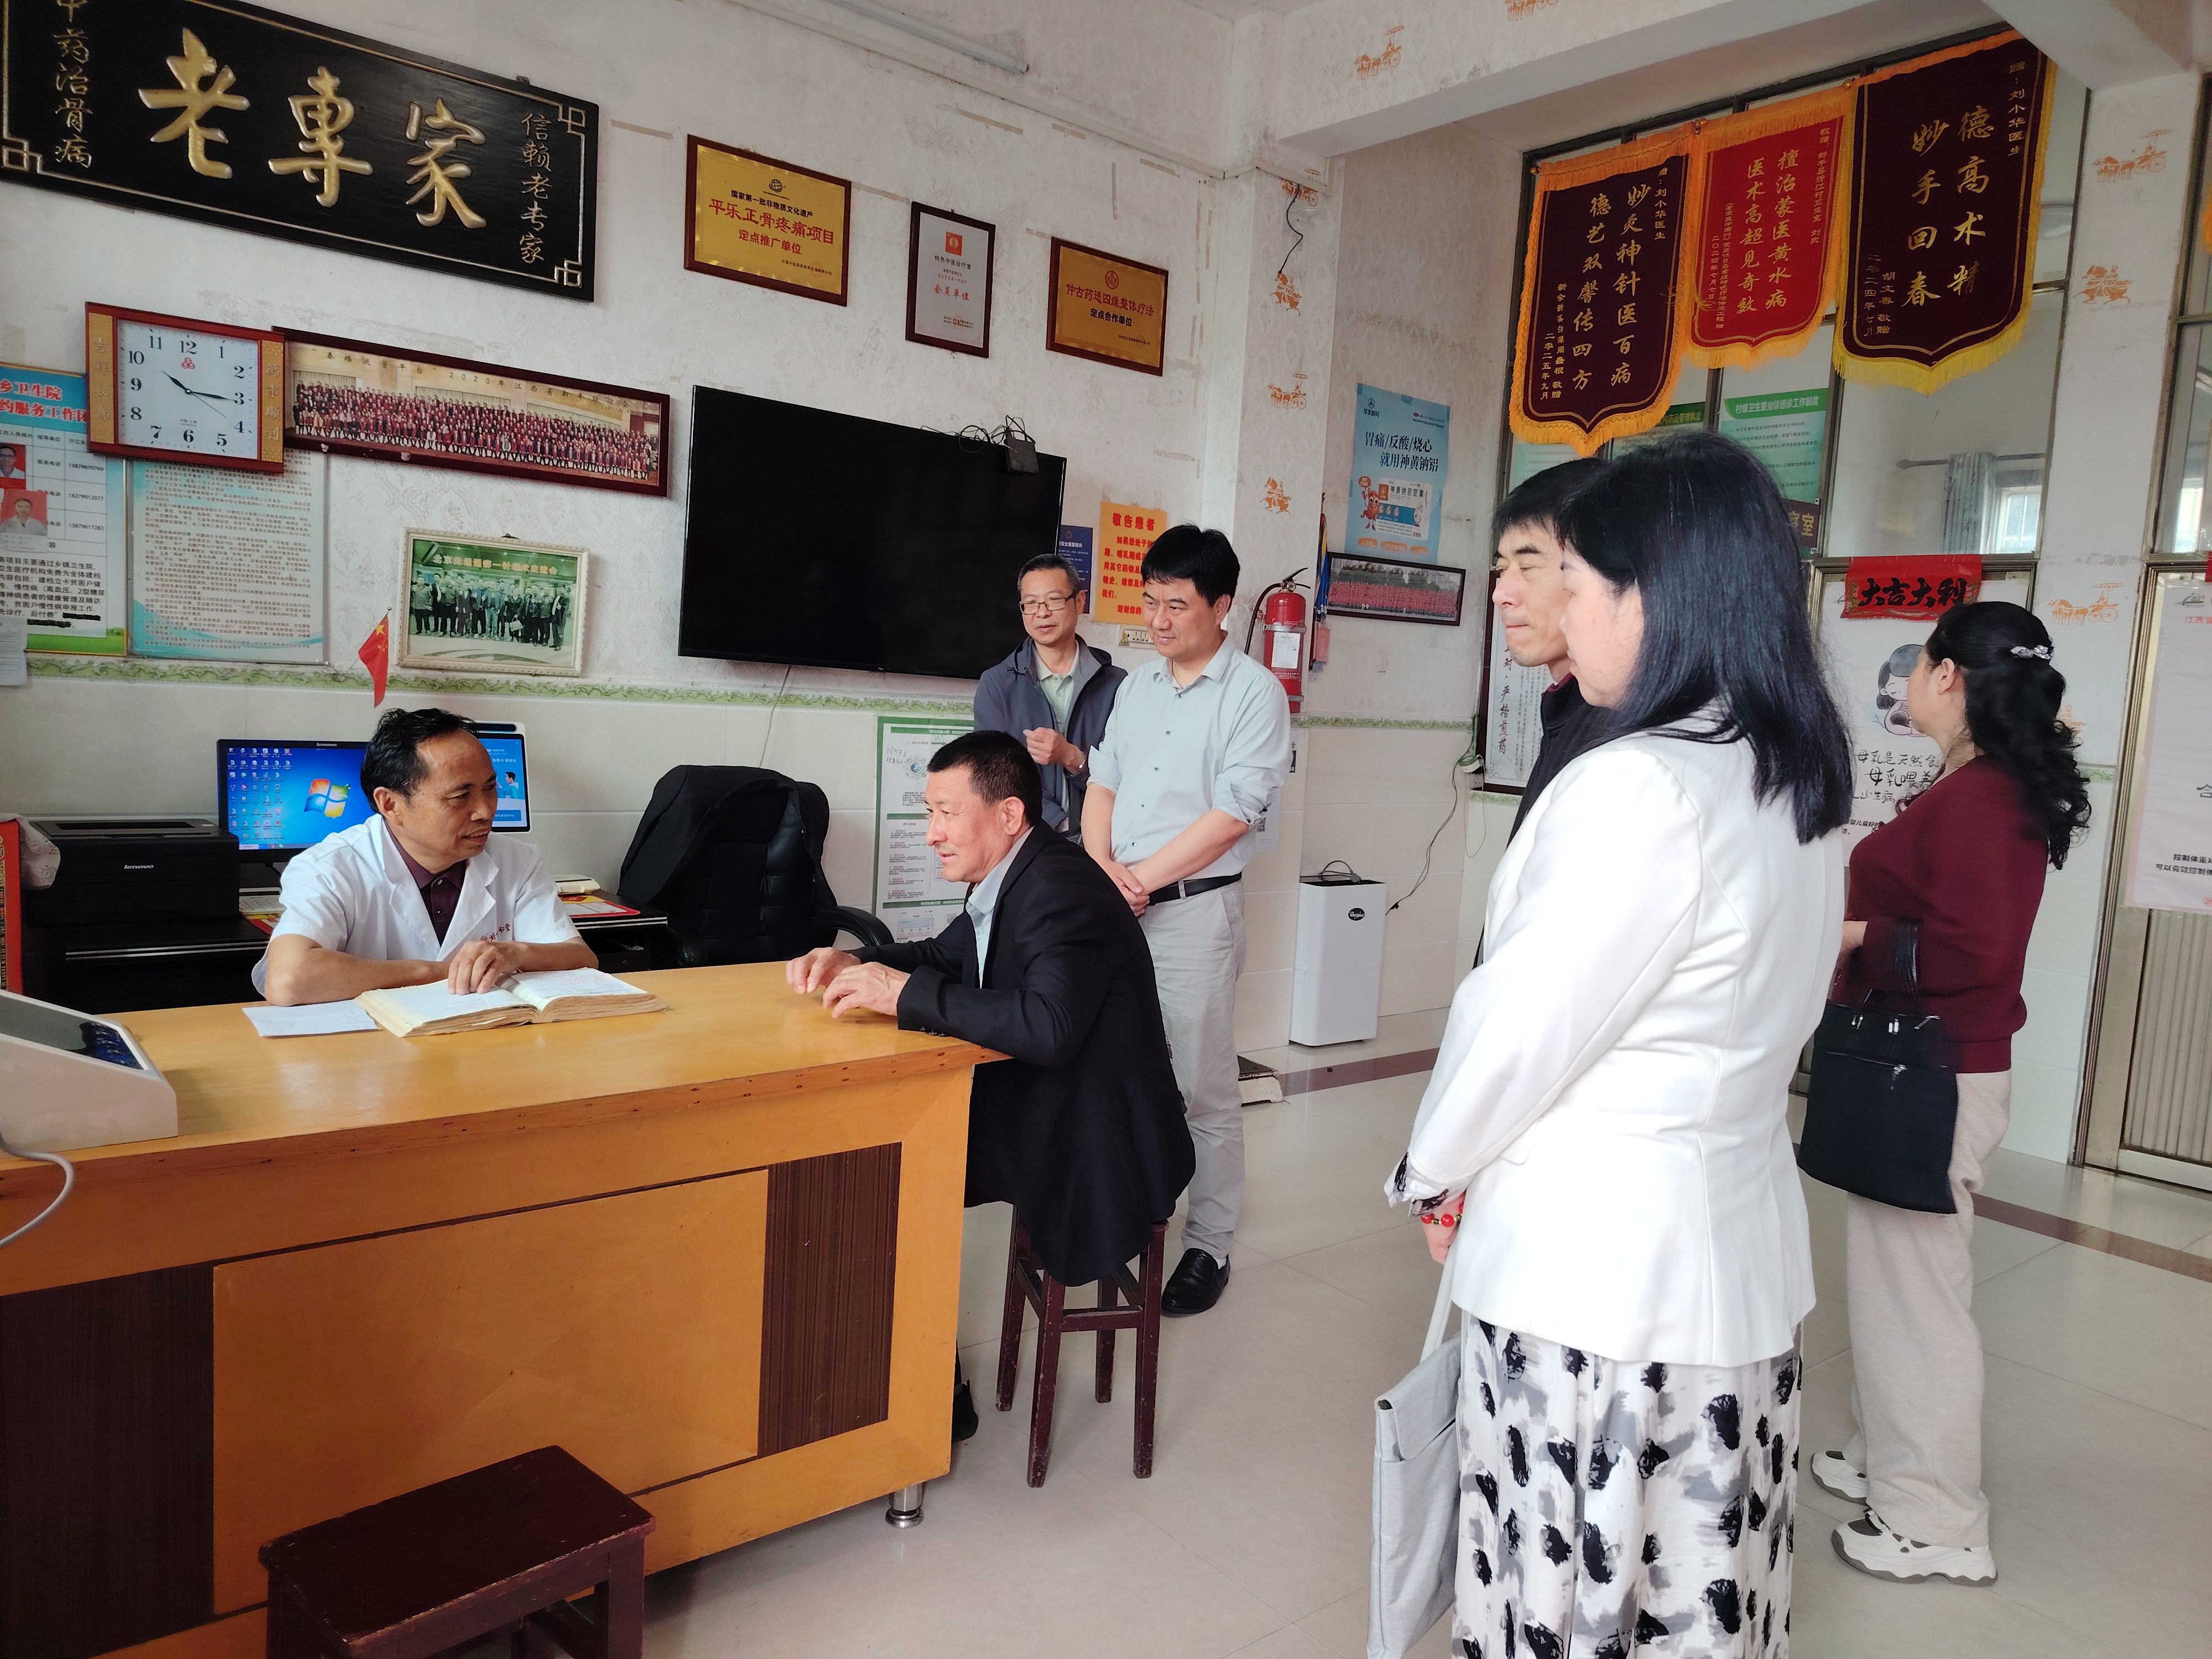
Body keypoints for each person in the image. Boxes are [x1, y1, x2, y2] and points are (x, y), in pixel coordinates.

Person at [1387, 431, 1853, 1659]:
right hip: (1732, 1265)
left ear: (1648, 597)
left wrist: (1431, 1169)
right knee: (1693, 1592)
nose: (1564, 611)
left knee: (1570, 1592)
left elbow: (1520, 1027)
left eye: (1579, 584)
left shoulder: (1639, 783)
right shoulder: (1792, 779)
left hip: (1593, 1290)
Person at [787, 731, 1194, 1438]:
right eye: (929, 813)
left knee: (891, 1177)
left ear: (1008, 814)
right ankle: (906, 1378)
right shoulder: (1015, 872)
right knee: (879, 1170)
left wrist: (901, 994)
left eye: (946, 813)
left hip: (1096, 1144)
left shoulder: (1060, 888)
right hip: (1047, 1105)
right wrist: (856, 960)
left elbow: (1048, 1026)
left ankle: (921, 1392)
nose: (932, 833)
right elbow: (946, 955)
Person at [1818, 601, 2090, 1587]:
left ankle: (1936, 1519)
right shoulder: (1982, 781)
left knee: (1916, 1298)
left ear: (1948, 677)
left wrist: (1850, 937)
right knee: (1898, 1281)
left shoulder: (1983, 796)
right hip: (1924, 1063)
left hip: (1934, 1070)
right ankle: (1890, 1455)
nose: (1907, 682)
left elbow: (1975, 951)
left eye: (1919, 663)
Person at [1082, 525, 1291, 1316]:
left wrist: (1138, 880)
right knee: (1116, 1068)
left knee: (1202, 1086)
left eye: (1176, 605)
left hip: (1194, 913)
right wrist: (1103, 868)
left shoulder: (1254, 694)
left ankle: (1210, 1244)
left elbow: (1233, 813)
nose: (1157, 620)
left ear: (1222, 606)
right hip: (1119, 903)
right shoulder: (1137, 685)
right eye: (1149, 602)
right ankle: (1129, 1212)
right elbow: (1103, 780)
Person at [259, 706, 596, 1004]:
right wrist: (434, 972)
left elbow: (580, 957)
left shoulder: (517, 861)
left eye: (490, 788)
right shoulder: (329, 867)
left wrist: (514, 952)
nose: (485, 811)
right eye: (460, 796)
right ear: (391, 804)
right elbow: (289, 980)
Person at [1492, 457, 1611, 839]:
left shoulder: (1619, 736)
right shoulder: (1567, 706)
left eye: (1527, 568)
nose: (1500, 594)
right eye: (1502, 569)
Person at [972, 552, 1124, 838]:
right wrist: (1059, 824)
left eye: (1054, 600)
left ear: (1079, 602)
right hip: (1029, 840)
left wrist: (1072, 757)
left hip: (1106, 837)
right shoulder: (997, 684)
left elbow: (1127, 773)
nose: (1041, 613)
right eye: (1030, 603)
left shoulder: (1116, 684)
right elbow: (993, 775)